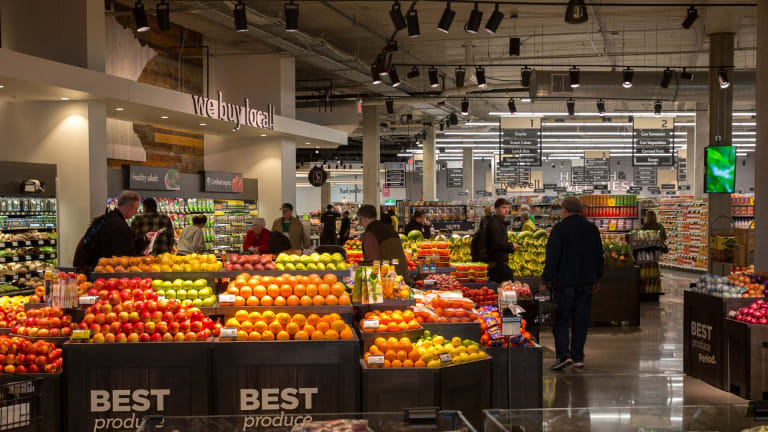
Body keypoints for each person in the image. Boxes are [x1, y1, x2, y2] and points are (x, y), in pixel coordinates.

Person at [539, 196, 604, 371]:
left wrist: (545, 279)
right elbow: (599, 255)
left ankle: (562, 355)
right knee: (580, 320)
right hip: (586, 282)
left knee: (561, 319)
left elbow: (552, 257)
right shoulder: (592, 229)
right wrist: (597, 277)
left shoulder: (559, 230)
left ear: (564, 210)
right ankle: (578, 357)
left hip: (564, 283)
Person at [92, 191, 156, 262]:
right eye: (136, 209)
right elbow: (124, 254)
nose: (136, 212)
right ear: (128, 206)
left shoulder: (110, 218)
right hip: (109, 269)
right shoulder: (118, 225)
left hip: (100, 266)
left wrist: (145, 238)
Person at [357, 205, 411, 283]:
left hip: (388, 281)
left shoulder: (370, 234)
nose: (360, 223)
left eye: (360, 220)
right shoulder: (389, 229)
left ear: (364, 218)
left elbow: (373, 261)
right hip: (403, 278)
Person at [486, 198, 521, 283]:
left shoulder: (499, 222)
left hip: (497, 263)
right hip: (496, 264)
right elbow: (497, 244)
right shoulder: (495, 224)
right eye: (503, 207)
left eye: (508, 208)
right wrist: (511, 246)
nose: (506, 210)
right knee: (508, 287)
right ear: (496, 209)